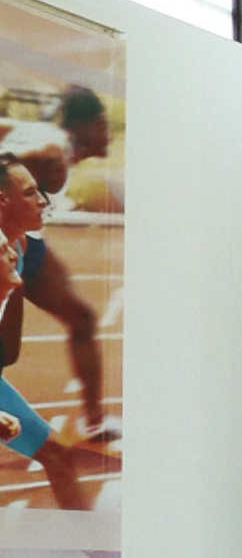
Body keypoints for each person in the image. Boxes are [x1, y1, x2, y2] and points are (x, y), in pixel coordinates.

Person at [0, 86, 118, 441]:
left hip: (28, 244)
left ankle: (95, 422)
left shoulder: (47, 140)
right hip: (10, 245)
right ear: (89, 125)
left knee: (80, 318)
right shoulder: (52, 153)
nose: (109, 135)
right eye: (104, 126)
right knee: (5, 350)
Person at [0, 155, 86, 509]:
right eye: (30, 192)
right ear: (3, 200)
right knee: (56, 453)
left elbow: (7, 351)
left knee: (56, 454)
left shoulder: (16, 250)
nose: (43, 201)